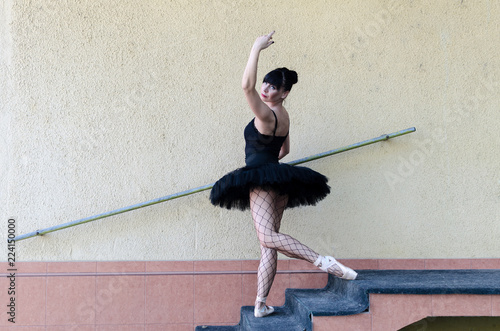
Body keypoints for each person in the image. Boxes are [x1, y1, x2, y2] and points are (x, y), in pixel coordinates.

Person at [210, 31, 357, 318]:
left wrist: (255, 47)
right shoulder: (284, 116)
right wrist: (265, 158)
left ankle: (323, 262)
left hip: (263, 180)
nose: (265, 89)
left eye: (273, 86)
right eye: (266, 82)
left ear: (284, 92)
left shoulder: (265, 115)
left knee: (266, 238)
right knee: (269, 244)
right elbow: (284, 150)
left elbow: (245, 86)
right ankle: (261, 304)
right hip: (277, 177)